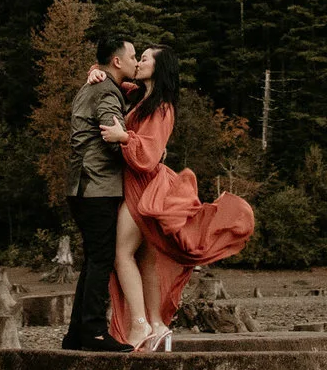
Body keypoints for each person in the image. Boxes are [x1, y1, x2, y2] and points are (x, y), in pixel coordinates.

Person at [99, 46, 256, 352]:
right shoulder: (144, 98)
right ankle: (157, 325)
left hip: (143, 188)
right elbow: (117, 82)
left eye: (144, 58)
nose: (139, 62)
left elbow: (149, 153)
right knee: (144, 258)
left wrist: (123, 138)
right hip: (139, 185)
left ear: (159, 68)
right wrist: (98, 72)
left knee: (120, 253)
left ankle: (139, 325)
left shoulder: (161, 108)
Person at [59, 35, 138, 352]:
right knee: (102, 259)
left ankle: (76, 334)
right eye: (132, 56)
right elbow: (111, 134)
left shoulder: (97, 84)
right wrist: (139, 151)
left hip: (82, 187)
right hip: (97, 188)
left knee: (93, 259)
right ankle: (93, 332)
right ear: (117, 61)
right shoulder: (106, 90)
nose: (135, 60)